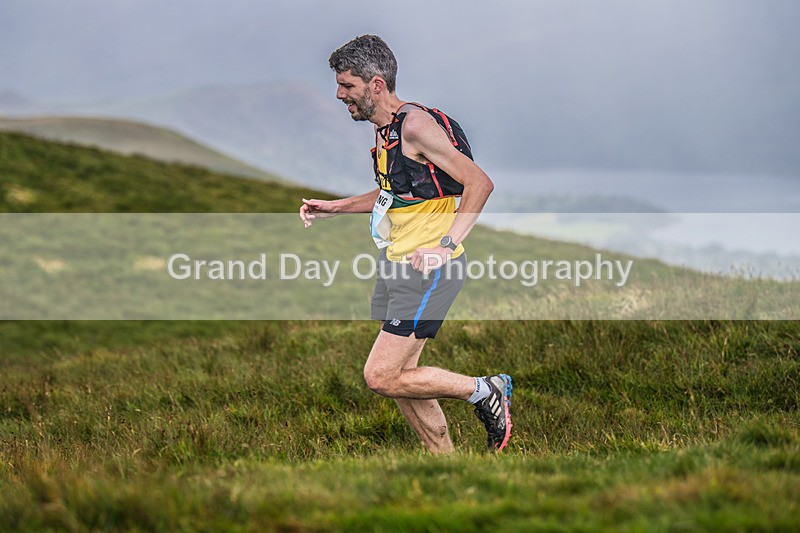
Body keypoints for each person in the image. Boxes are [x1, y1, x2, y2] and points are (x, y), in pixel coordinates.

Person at [299, 35, 512, 453]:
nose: (340, 95)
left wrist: (445, 246)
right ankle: (446, 465)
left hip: (429, 269)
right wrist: (334, 207)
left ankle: (486, 390)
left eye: (348, 86)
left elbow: (479, 183)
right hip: (397, 262)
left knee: (380, 376)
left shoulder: (414, 126)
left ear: (376, 84)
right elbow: (392, 194)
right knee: (403, 378)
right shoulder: (384, 132)